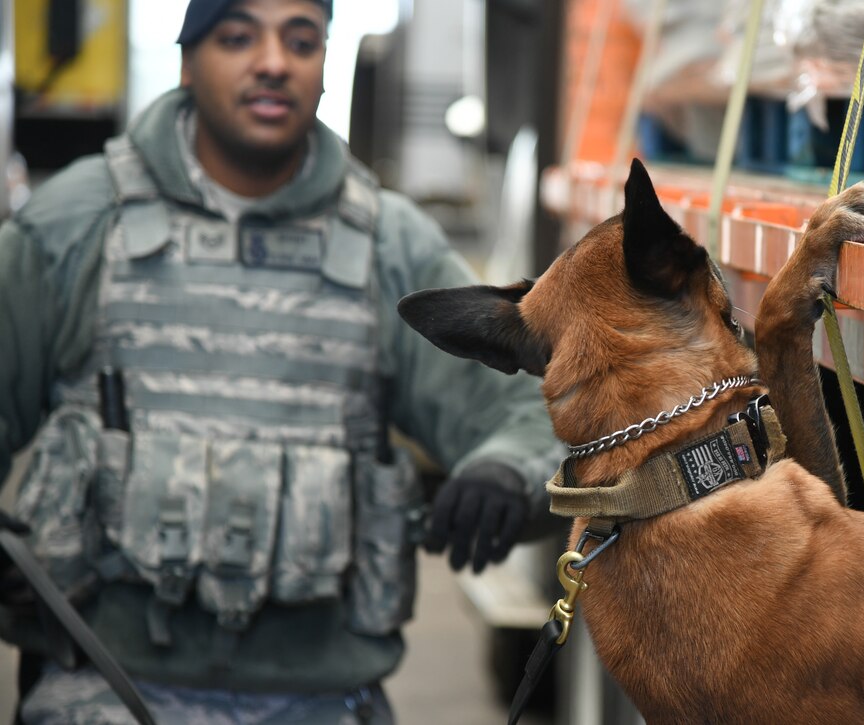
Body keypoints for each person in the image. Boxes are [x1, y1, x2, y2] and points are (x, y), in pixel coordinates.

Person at [0, 0, 564, 722]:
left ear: (324, 64)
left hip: (318, 699)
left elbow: (539, 411)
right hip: (101, 685)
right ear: (186, 59)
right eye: (237, 36)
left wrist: (505, 468)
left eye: (302, 39)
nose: (273, 61)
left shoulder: (390, 248)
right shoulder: (78, 224)